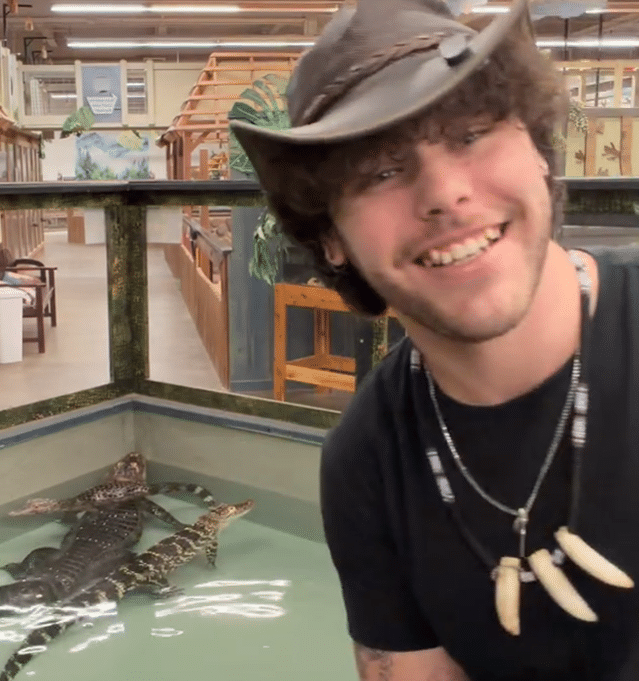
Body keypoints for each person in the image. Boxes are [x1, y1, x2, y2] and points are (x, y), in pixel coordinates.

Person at [230, 0, 639, 679]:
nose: (444, 194)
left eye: (470, 133)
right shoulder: (366, 461)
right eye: (380, 171)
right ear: (330, 238)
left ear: (540, 153)